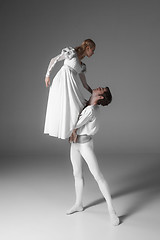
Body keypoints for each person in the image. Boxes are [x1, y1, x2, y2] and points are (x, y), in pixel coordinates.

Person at [67, 87, 120, 226]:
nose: (98, 87)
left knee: (98, 176)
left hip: (84, 146)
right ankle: (78, 204)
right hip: (75, 145)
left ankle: (112, 211)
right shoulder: (88, 105)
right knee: (77, 174)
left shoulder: (91, 110)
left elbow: (74, 124)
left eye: (101, 89)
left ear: (101, 97)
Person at [44, 39, 95, 139]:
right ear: (88, 48)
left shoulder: (82, 66)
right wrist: (47, 75)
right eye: (92, 50)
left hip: (71, 85)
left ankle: (73, 132)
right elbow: (53, 60)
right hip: (62, 82)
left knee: (79, 107)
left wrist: (93, 93)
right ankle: (71, 133)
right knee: (66, 107)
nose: (93, 53)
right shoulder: (72, 53)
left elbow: (85, 84)